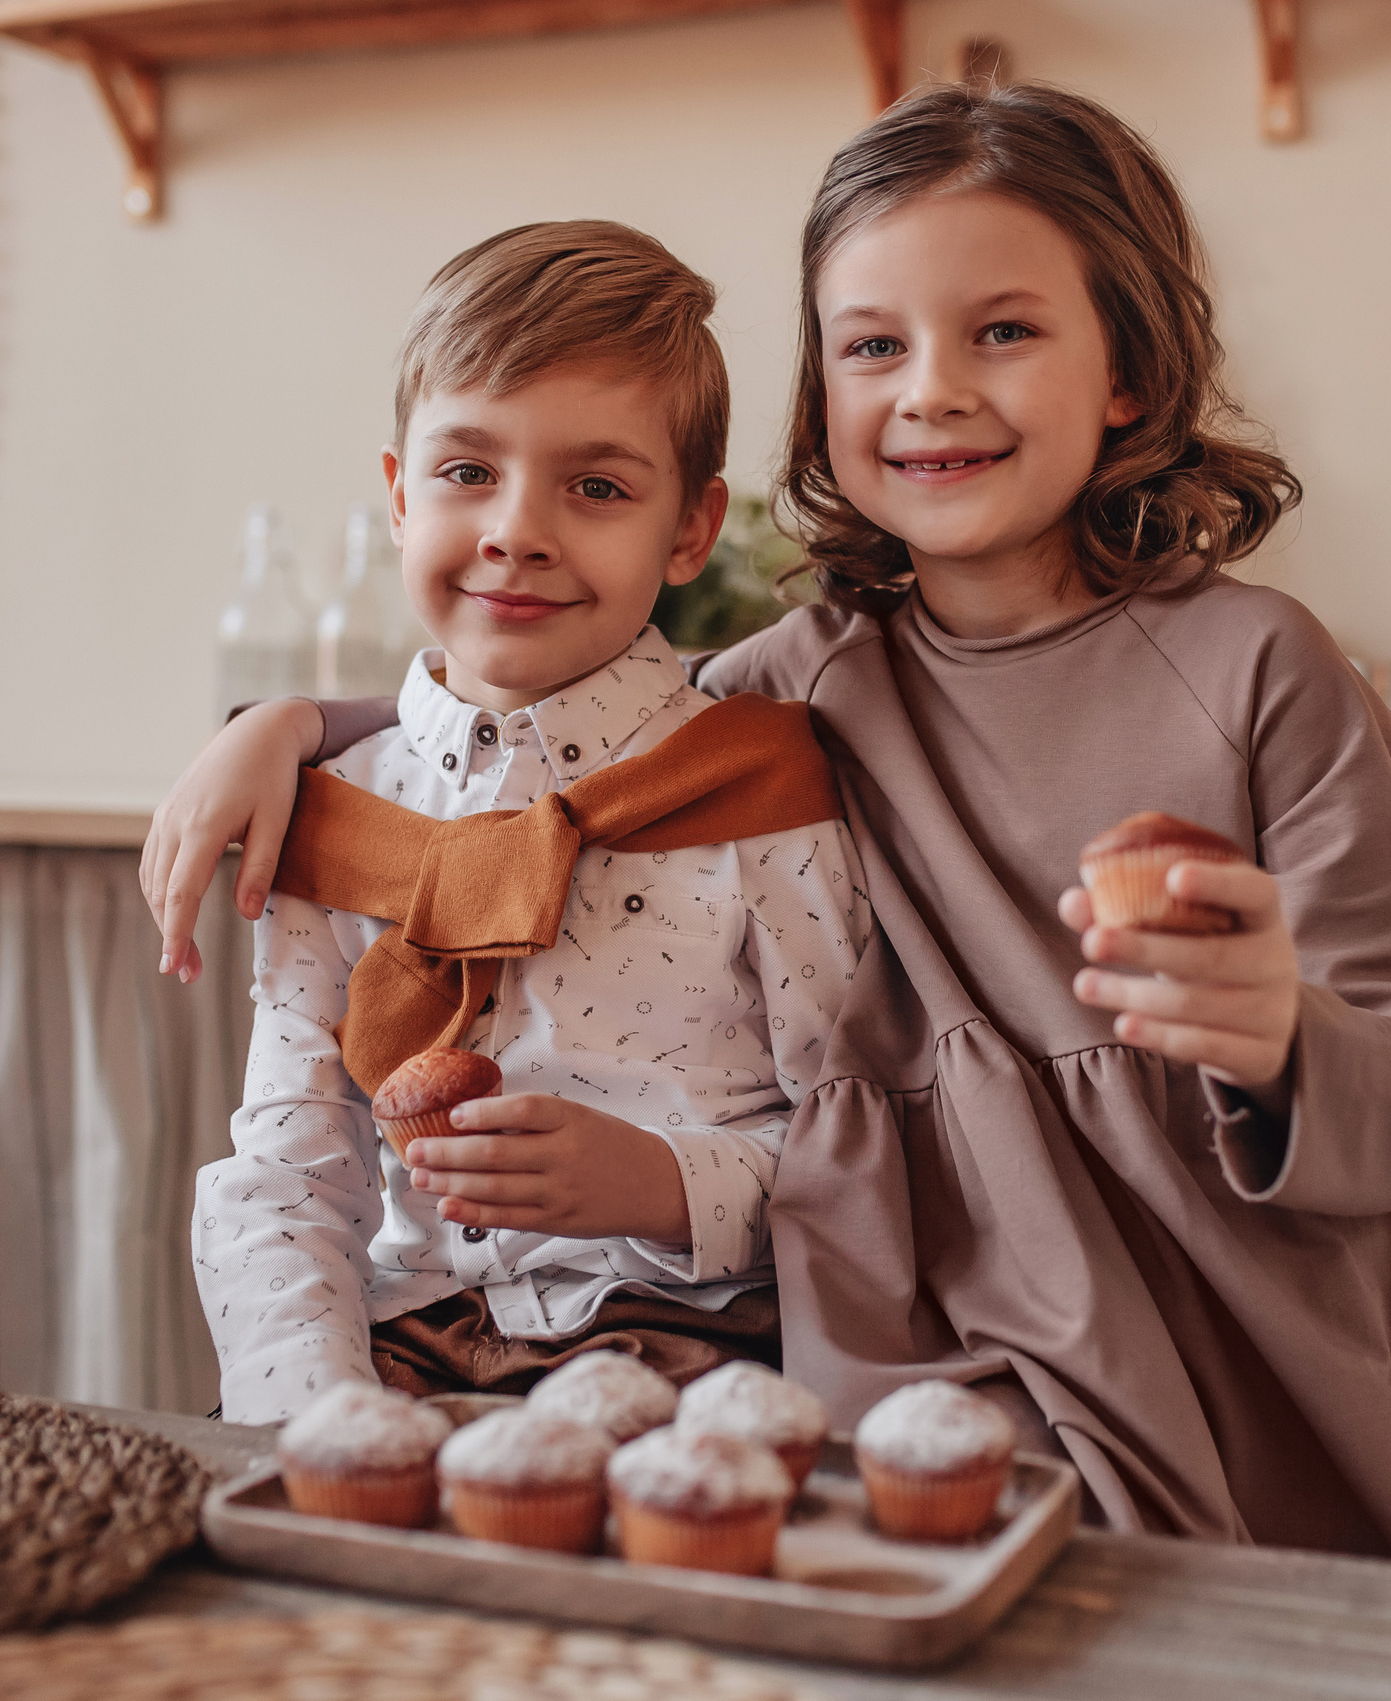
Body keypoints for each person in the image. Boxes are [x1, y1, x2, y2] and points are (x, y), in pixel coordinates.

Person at [150, 86, 1391, 1578]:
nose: (934, 391)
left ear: (1131, 375)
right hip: (994, 1349)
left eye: (1005, 332)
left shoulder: (1261, 670)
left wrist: (1282, 1035)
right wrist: (290, 733)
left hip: (1280, 1355)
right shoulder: (799, 683)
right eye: (873, 344)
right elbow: (550, 725)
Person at [191, 221, 873, 1426]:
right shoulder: (330, 811)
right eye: (467, 473)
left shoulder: (760, 793)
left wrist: (663, 1184)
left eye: (596, 486)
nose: (517, 528)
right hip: (399, 1351)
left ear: (690, 531)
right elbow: (288, 1177)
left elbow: (862, 1153)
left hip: (699, 1357)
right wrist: (313, 1421)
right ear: (401, 496)